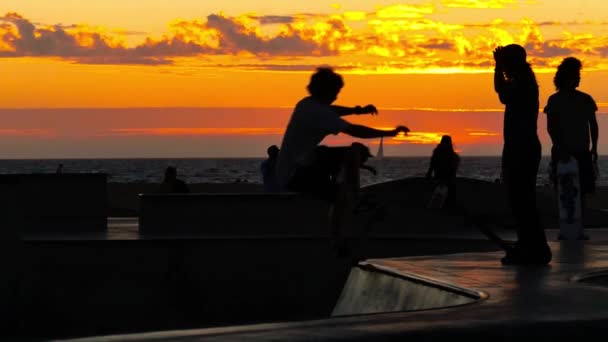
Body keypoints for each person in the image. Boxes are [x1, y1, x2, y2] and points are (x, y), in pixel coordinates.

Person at [276, 67, 409, 256]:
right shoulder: (317, 112)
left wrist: (357, 110)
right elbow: (355, 131)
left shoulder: (307, 104)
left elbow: (334, 110)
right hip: (295, 174)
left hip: (299, 169)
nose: (337, 97)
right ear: (326, 91)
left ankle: (343, 211)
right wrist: (389, 133)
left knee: (340, 192)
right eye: (336, 92)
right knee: (356, 151)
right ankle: (354, 201)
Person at [493, 44, 551, 265]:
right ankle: (527, 243)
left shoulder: (523, 82)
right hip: (519, 146)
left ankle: (534, 246)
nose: (504, 69)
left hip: (522, 147)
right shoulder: (523, 80)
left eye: (506, 63)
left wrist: (496, 67)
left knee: (522, 200)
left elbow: (502, 94)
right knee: (519, 200)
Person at [544, 57, 599, 233]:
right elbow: (551, 127)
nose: (578, 78)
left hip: (582, 151)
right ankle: (565, 225)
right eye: (575, 75)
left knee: (581, 190)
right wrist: (560, 147)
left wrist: (594, 148)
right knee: (562, 189)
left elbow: (593, 124)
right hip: (562, 151)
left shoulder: (585, 99)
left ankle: (578, 226)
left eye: (578, 75)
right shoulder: (554, 100)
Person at [426, 135, 460, 208]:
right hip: (444, 179)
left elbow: (432, 165)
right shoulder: (452, 156)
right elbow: (432, 164)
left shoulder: (437, 153)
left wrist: (429, 174)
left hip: (442, 178)